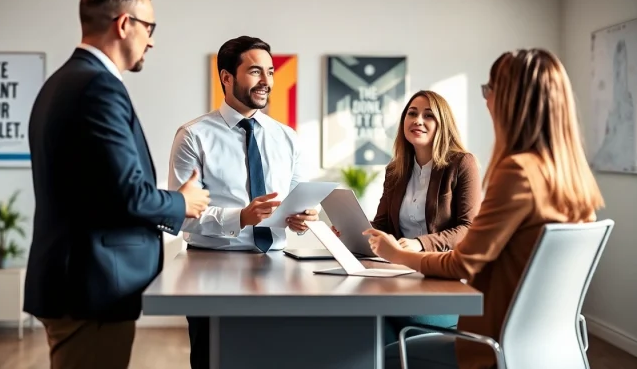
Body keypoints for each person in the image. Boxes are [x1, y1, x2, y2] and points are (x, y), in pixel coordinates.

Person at [364, 48, 605, 369]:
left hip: (490, 344)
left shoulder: (518, 172)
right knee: (382, 325)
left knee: (371, 349)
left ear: (512, 99)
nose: (487, 99)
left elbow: (463, 263)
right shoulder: (573, 177)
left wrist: (398, 255)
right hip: (547, 346)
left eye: (490, 89)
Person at [23, 0, 210, 369]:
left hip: (77, 281)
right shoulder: (98, 87)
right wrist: (183, 202)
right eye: (149, 28)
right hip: (90, 287)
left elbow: (100, 189)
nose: (152, 41)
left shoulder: (63, 82)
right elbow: (128, 194)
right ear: (124, 24)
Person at [168, 35, 318, 369]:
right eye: (255, 71)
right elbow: (180, 213)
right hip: (209, 269)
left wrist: (303, 218)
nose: (267, 81)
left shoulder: (286, 137)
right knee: (213, 360)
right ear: (226, 77)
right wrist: (240, 217)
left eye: (270, 72)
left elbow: (297, 203)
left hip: (276, 268)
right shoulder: (193, 136)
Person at [337, 90, 481, 344]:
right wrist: (349, 231)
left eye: (428, 115)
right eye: (412, 113)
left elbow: (468, 229)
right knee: (367, 324)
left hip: (443, 282)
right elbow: (382, 225)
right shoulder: (396, 170)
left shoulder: (461, 163)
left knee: (369, 319)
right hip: (400, 277)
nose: (417, 120)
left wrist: (420, 244)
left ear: (443, 124)